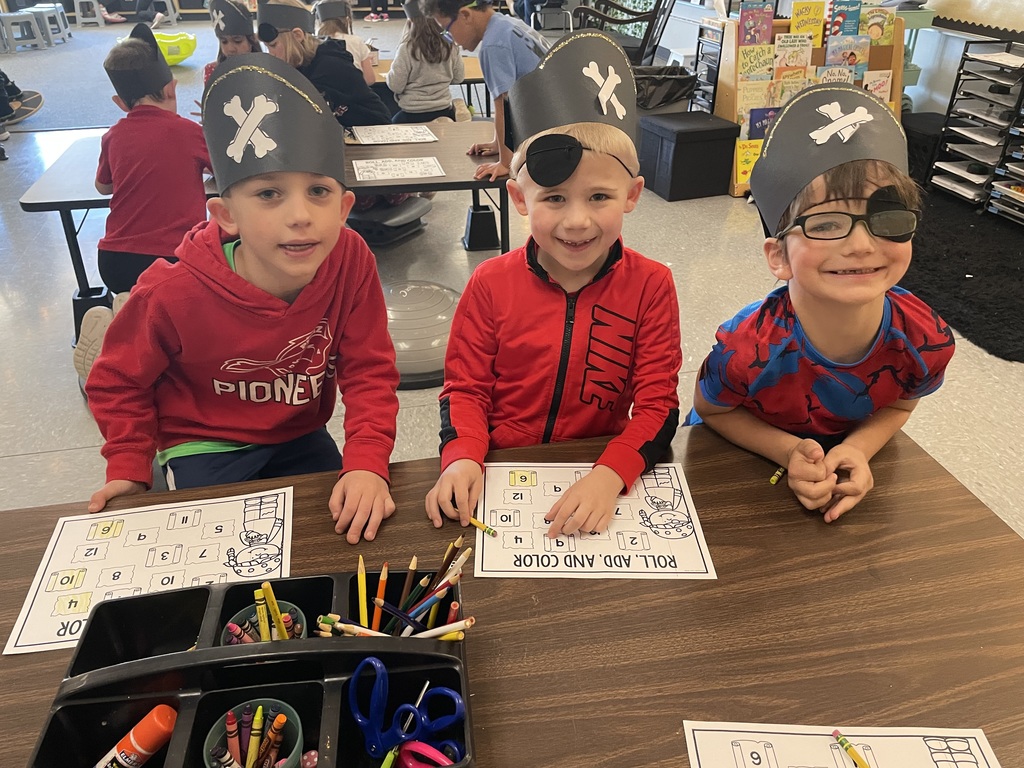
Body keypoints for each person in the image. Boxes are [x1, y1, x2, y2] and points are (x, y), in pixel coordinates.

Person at [85, 52, 401, 545]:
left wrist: (367, 460)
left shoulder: (351, 258)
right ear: (224, 215)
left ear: (343, 209)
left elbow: (369, 370)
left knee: (344, 537)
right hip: (202, 438)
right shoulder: (171, 291)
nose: (300, 215)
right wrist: (129, 463)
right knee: (217, 562)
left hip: (297, 431)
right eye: (269, 194)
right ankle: (110, 328)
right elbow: (117, 381)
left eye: (318, 191)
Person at [424, 32, 681, 538]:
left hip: (598, 468)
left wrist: (611, 475)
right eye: (555, 199)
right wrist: (462, 457)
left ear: (632, 196)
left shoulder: (652, 286)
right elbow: (464, 390)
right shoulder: (490, 284)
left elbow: (658, 406)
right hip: (498, 471)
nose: (578, 222)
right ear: (520, 199)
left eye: (600, 196)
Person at [691, 82, 956, 523]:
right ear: (779, 257)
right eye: (827, 223)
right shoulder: (748, 348)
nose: (861, 245)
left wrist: (858, 448)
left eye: (885, 218)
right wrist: (788, 450)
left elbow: (902, 402)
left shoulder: (925, 339)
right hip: (739, 474)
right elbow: (711, 409)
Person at [73, 24, 210, 380]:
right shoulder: (191, 134)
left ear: (120, 103)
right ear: (171, 87)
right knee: (197, 317)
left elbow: (103, 187)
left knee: (149, 307)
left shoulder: (113, 136)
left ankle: (122, 332)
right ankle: (153, 349)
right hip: (174, 258)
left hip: (114, 261)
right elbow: (229, 174)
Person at [423, 0, 548, 180]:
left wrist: (506, 162)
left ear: (465, 15)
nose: (453, 40)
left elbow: (504, 107)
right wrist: (498, 143)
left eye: (447, 29)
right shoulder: (507, 23)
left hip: (547, 130)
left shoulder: (492, 45)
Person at [259, 0, 390, 127]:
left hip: (368, 131)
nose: (271, 54)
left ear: (297, 35)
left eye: (273, 45)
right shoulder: (297, 64)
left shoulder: (330, 65)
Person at [386, 0, 464, 123]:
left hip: (412, 114)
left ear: (411, 21)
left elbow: (396, 85)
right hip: (443, 111)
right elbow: (458, 78)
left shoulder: (407, 47)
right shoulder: (449, 43)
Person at [315, 0, 376, 86]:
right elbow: (370, 79)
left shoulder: (312, 44)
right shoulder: (356, 41)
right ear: (347, 20)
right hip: (354, 94)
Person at [203, 0, 261, 83]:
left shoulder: (265, 71)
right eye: (224, 41)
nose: (230, 49)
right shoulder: (212, 71)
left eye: (238, 41)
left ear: (251, 40)